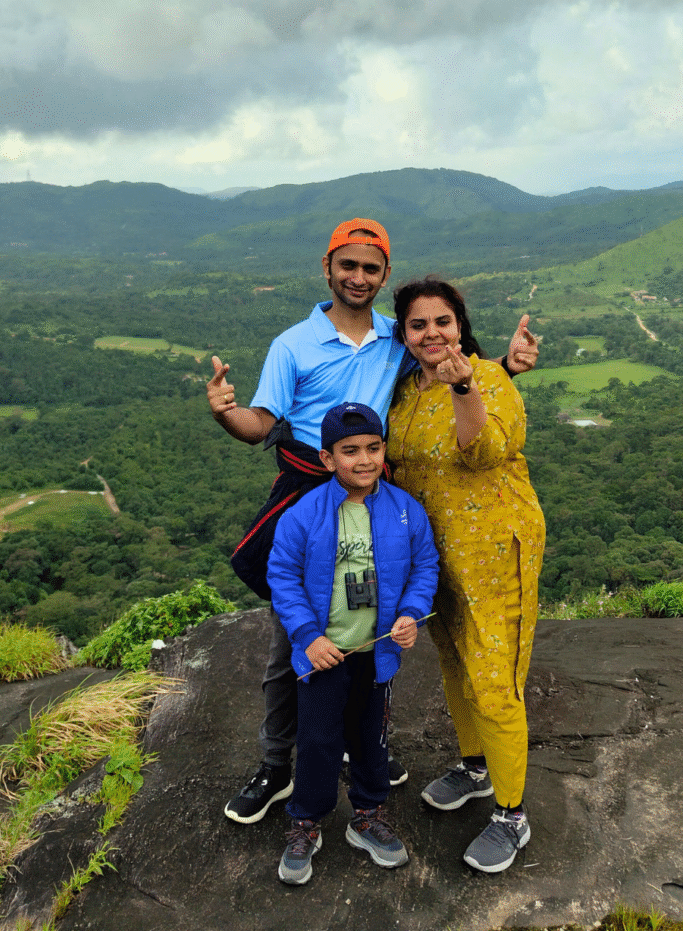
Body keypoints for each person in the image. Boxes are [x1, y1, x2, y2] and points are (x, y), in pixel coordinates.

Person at [207, 218, 538, 826]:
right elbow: (262, 421)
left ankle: (367, 752)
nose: (358, 277)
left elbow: (451, 374)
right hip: (313, 487)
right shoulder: (294, 344)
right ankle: (277, 766)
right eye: (348, 266)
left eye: (370, 268)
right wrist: (228, 416)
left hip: (375, 490)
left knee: (374, 623)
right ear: (328, 268)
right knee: (297, 638)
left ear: (384, 276)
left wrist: (506, 369)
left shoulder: (395, 337)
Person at [386, 276, 546, 875]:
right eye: (418, 325)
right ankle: (476, 767)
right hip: (436, 555)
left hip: (496, 550)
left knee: (494, 678)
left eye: (442, 322)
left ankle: (512, 815)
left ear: (461, 325)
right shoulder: (404, 391)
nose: (432, 334)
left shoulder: (490, 380)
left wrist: (465, 386)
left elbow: (483, 451)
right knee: (455, 661)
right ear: (404, 334)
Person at [268, 402, 438, 885]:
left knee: (372, 740)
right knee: (318, 741)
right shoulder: (305, 514)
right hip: (324, 655)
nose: (363, 460)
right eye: (349, 451)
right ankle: (306, 821)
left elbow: (425, 566)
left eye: (373, 448)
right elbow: (282, 575)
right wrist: (307, 636)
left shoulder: (406, 511)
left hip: (376, 653)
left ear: (384, 449)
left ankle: (367, 817)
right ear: (327, 460)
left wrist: (410, 614)